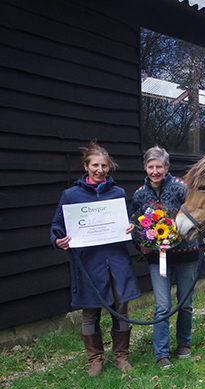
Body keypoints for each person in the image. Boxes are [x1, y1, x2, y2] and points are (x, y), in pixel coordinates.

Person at [50, 141, 141, 377]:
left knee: (121, 307)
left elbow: (127, 220)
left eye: (104, 165)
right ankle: (96, 359)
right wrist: (58, 240)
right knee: (90, 312)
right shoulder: (71, 196)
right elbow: (57, 226)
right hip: (88, 264)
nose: (99, 170)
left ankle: (121, 356)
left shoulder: (117, 193)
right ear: (86, 166)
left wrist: (131, 225)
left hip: (116, 262)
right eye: (95, 165)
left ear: (109, 167)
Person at [130, 145, 199, 369]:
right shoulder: (140, 195)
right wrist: (141, 245)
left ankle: (184, 343)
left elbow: (196, 216)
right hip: (156, 259)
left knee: (185, 302)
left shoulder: (182, 188)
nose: (155, 171)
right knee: (162, 305)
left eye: (159, 166)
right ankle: (161, 353)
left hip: (185, 254)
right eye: (150, 167)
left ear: (166, 167)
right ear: (145, 168)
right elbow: (134, 224)